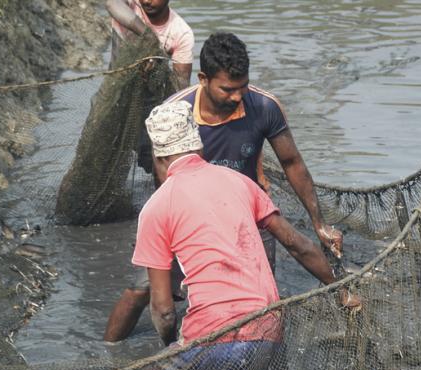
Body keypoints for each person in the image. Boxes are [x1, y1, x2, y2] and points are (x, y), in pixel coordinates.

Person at [123, 101, 356, 370]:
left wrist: (171, 346)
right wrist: (341, 288)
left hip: (213, 338)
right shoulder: (240, 181)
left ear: (159, 157)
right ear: (198, 148)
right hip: (268, 328)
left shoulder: (156, 207)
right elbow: (298, 244)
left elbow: (163, 308)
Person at [104, 31, 343, 342]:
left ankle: (244, 358)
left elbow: (292, 163)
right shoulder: (176, 112)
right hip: (185, 213)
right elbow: (164, 176)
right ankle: (108, 352)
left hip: (245, 208)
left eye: (243, 87)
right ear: (203, 79)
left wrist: (319, 223)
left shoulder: (264, 106)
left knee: (257, 294)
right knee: (143, 288)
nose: (237, 96)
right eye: (228, 89)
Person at [106, 0, 193, 90]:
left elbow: (181, 85)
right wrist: (149, 36)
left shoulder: (181, 33)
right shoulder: (130, 5)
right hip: (113, 86)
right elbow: (111, 3)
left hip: (150, 95)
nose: (146, 1)